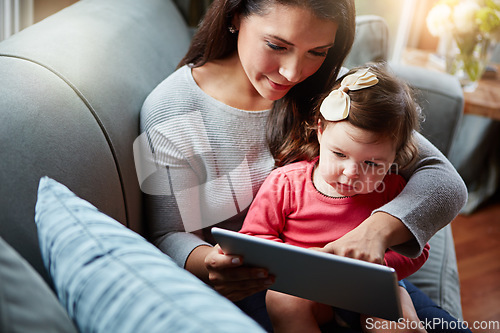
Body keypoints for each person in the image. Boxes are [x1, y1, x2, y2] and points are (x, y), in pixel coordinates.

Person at [137, 0, 468, 330]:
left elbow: (444, 181)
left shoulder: (335, 95)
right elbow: (169, 233)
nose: (294, 73)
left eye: (318, 51)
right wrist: (209, 263)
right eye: (277, 45)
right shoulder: (171, 109)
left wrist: (373, 234)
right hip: (264, 285)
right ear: (236, 16)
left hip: (362, 276)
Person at [238, 64, 429, 332]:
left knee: (401, 317)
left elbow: (418, 249)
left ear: (395, 157)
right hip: (307, 289)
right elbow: (254, 240)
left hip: (371, 289)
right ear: (320, 130)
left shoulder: (392, 190)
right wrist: (303, 261)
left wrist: (377, 265)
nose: (351, 173)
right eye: (339, 154)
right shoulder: (286, 184)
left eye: (372, 164)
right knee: (283, 299)